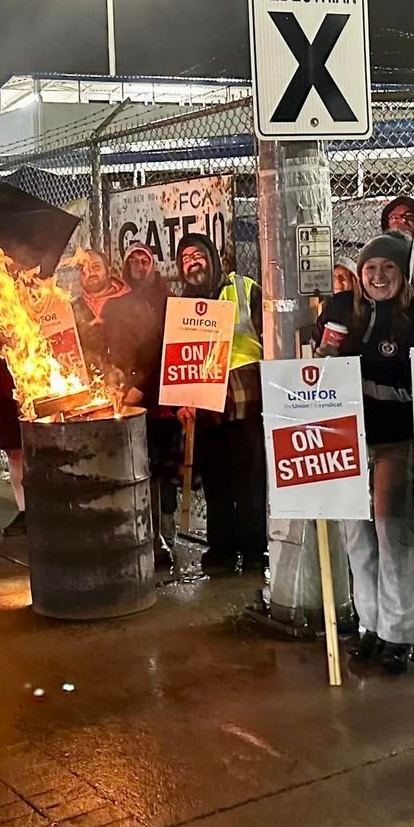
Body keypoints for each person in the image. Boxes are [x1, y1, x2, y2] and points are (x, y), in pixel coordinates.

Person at [314, 232, 414, 672]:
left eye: (388, 267)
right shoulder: (343, 310)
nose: (379, 276)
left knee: (393, 531)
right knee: (358, 535)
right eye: (370, 268)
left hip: (396, 439)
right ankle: (370, 623)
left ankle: (399, 633)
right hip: (348, 440)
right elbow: (321, 364)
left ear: (403, 273)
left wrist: (364, 383)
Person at [175, 233, 267, 575]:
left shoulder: (244, 288)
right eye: (185, 259)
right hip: (206, 403)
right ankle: (222, 552)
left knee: (250, 479)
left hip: (245, 397)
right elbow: (176, 360)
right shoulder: (181, 304)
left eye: (197, 255)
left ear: (213, 257)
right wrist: (181, 401)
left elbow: (269, 335)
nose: (192, 263)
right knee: (215, 481)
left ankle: (254, 552)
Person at [102, 242, 178, 564]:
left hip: (161, 399)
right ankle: (141, 533)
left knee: (162, 468)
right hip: (128, 398)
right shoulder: (116, 306)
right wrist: (115, 377)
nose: (138, 264)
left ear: (153, 264)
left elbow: (166, 349)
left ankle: (163, 535)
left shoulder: (170, 301)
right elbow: (111, 351)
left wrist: (142, 386)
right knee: (137, 466)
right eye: (132, 259)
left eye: (143, 258)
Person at [72, 249, 127, 371]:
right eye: (84, 269)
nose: (90, 273)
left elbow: (150, 352)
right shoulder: (72, 310)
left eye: (96, 267)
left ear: (108, 271)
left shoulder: (132, 303)